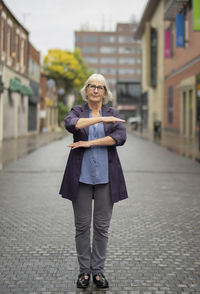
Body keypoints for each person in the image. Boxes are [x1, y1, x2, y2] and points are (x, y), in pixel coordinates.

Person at [59, 73, 128, 289]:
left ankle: (97, 272)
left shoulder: (113, 113)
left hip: (106, 179)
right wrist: (99, 119)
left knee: (101, 228)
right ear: (86, 90)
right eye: (92, 86)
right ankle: (84, 272)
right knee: (82, 227)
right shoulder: (78, 111)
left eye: (100, 87)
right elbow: (71, 125)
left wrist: (90, 143)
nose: (96, 90)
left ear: (105, 92)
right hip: (80, 178)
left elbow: (120, 138)